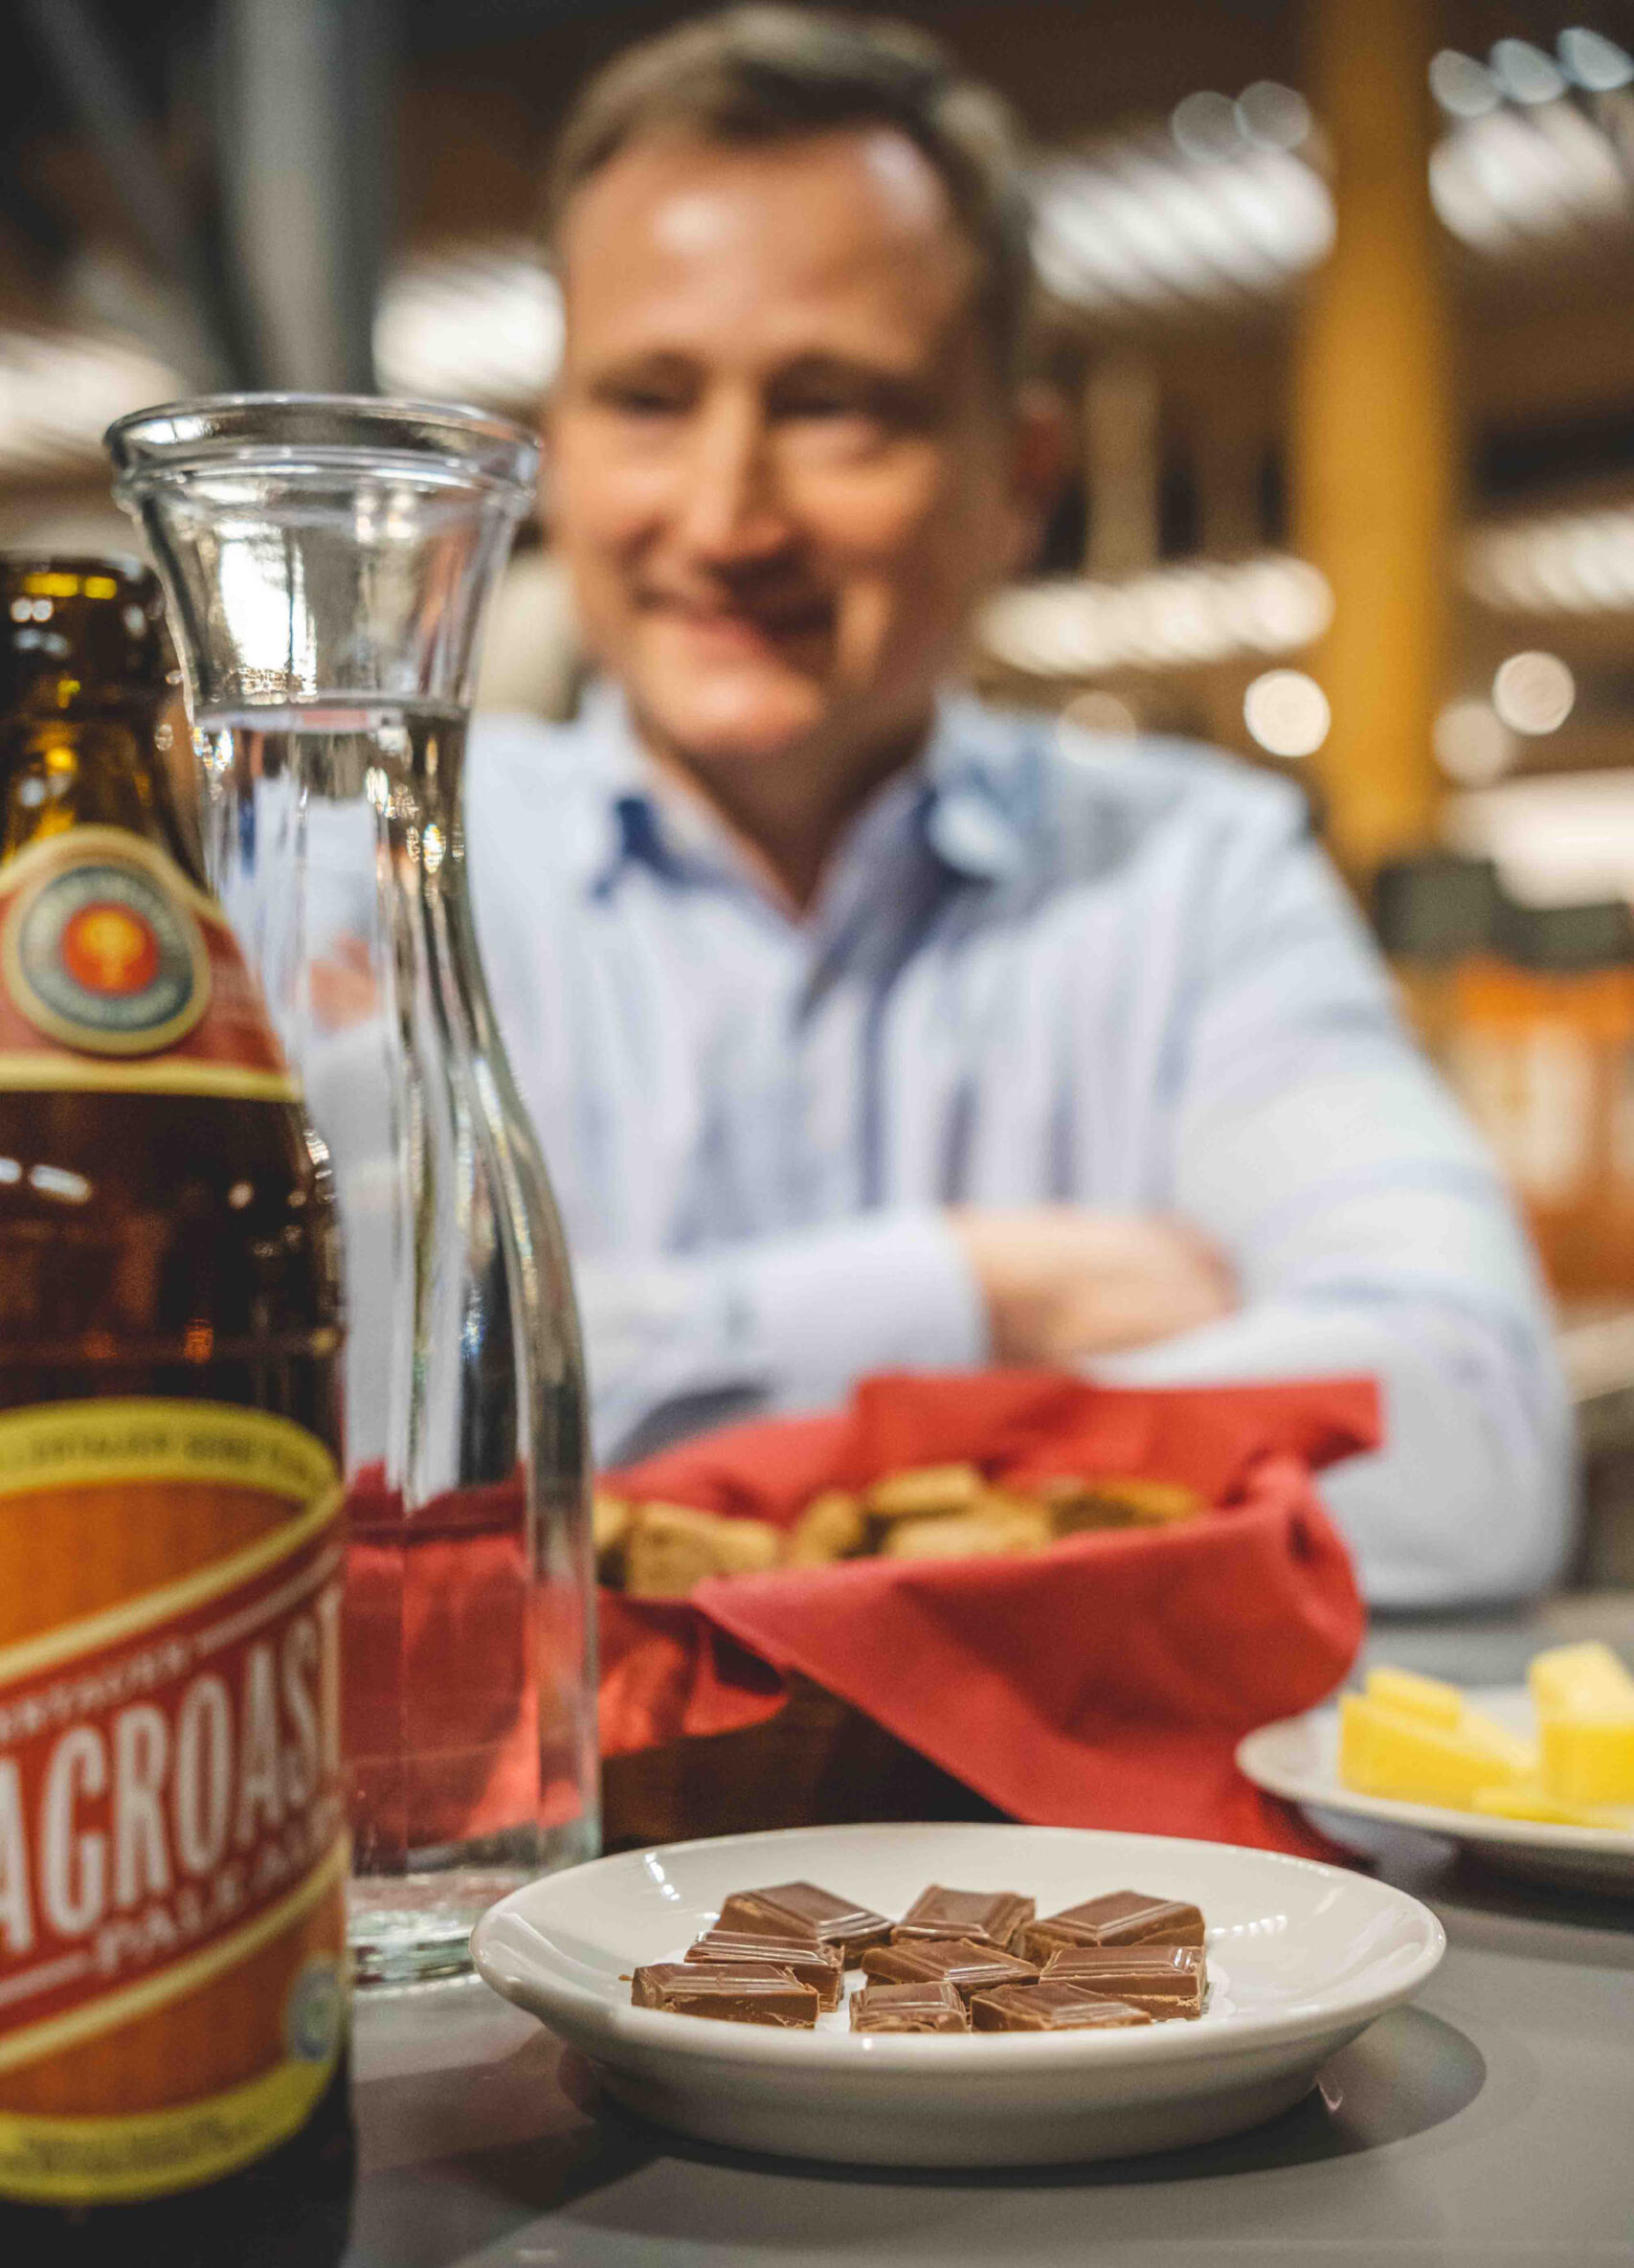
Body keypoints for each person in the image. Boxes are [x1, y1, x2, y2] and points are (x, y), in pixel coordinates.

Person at [463, 5, 1571, 1606]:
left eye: (835, 404)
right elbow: (299, 1418)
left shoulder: (1195, 871)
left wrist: (666, 1409)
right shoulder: (390, 867)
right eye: (646, 398)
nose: (724, 514)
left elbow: (1468, 1444)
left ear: (1019, 480)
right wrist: (973, 1298)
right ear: (553, 453)